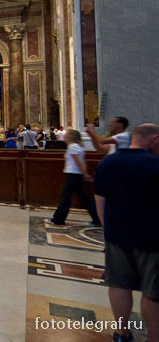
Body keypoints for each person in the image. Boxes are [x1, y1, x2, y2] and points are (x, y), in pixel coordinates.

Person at [93, 123, 159, 342]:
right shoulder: (155, 165)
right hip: (151, 236)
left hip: (117, 234)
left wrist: (107, 229)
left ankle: (121, 333)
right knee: (153, 292)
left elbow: (100, 201)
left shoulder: (107, 163)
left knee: (119, 284)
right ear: (154, 139)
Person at [51, 129, 102, 226]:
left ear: (71, 137)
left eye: (66, 135)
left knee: (66, 197)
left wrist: (84, 173)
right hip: (76, 174)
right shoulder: (77, 147)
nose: (64, 136)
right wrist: (84, 173)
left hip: (73, 175)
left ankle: (58, 219)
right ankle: (97, 218)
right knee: (85, 198)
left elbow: (78, 162)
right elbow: (82, 162)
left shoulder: (73, 147)